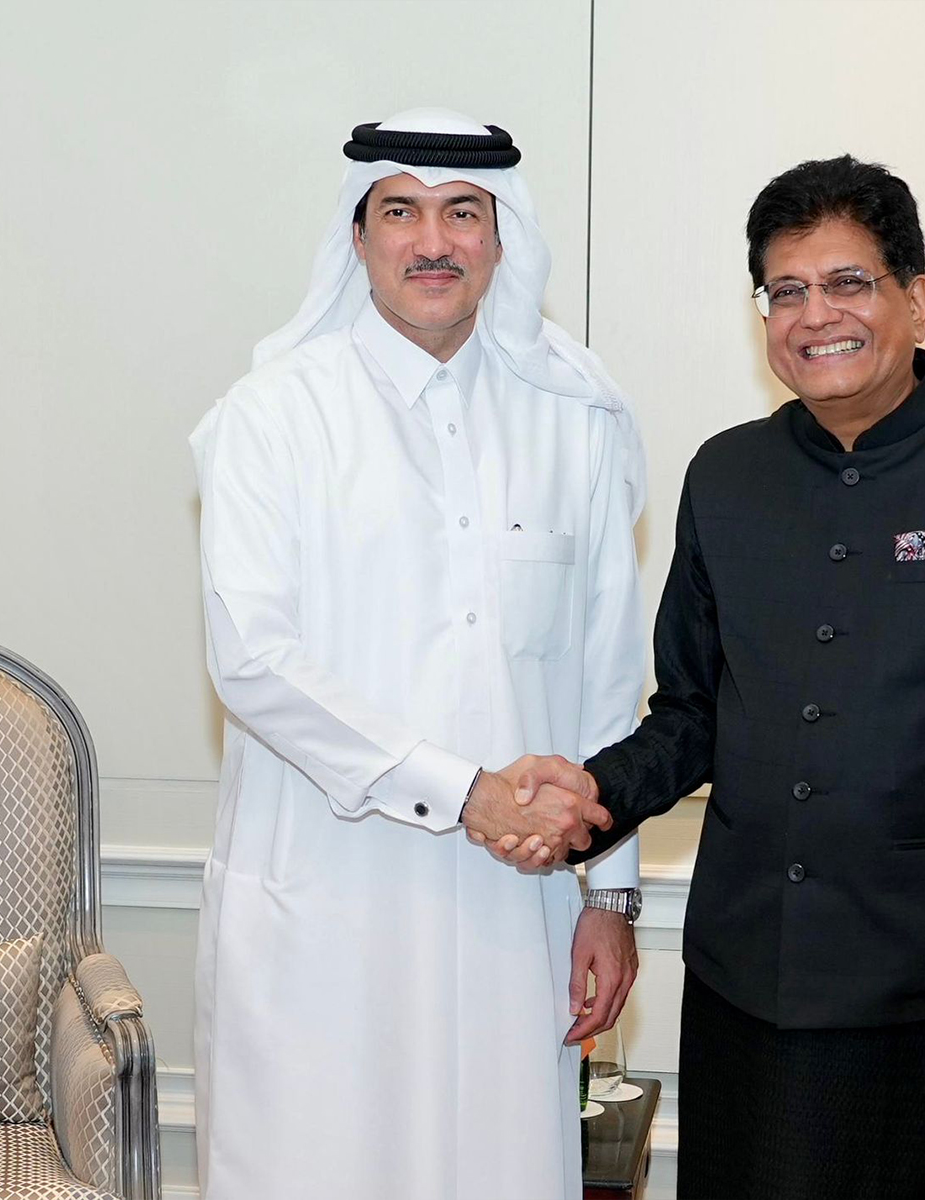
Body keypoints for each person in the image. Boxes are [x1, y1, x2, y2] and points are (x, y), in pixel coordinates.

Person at [496, 155, 925, 1198]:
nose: (817, 315)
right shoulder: (724, 478)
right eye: (787, 291)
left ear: (915, 299)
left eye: (848, 282)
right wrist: (595, 794)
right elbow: (691, 711)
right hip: (763, 990)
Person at [189, 108, 647, 1200]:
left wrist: (611, 895)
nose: (431, 241)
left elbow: (605, 669)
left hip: (513, 906)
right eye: (400, 212)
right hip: (325, 890)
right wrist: (464, 792)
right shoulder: (271, 416)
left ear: (502, 237)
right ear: (356, 238)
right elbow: (251, 657)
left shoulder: (575, 422)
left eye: (462, 213)